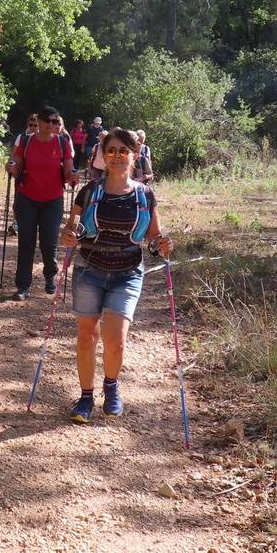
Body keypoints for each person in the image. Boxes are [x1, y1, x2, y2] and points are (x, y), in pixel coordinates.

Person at [59, 127, 173, 423]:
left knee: (116, 340)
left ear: (134, 156)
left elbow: (153, 237)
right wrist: (69, 236)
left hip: (128, 272)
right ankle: (85, 398)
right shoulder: (89, 191)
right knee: (86, 337)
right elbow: (72, 229)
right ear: (102, 155)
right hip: (89, 269)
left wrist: (162, 244)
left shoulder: (145, 194)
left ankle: (111, 388)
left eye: (124, 151)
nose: (117, 156)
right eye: (111, 151)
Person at [6, 106, 78, 300]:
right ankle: (23, 286)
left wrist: (72, 175)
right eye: (50, 121)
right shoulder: (27, 141)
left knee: (49, 243)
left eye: (56, 122)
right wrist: (11, 167)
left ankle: (50, 277)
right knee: (26, 243)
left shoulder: (62, 143)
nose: (53, 125)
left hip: (52, 200)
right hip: (27, 197)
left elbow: (68, 170)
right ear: (40, 122)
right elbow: (17, 164)